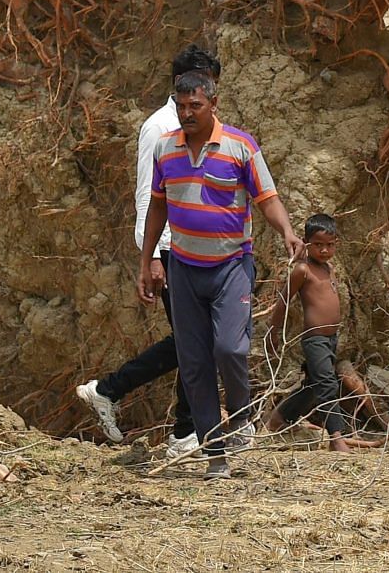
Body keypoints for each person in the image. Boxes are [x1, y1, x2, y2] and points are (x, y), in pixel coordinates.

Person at [137, 71, 303, 478]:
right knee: (193, 365)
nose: (188, 113)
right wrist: (148, 260)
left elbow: (267, 197)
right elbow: (157, 207)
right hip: (184, 269)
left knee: (229, 349)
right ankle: (216, 457)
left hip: (231, 267)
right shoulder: (165, 149)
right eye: (181, 106)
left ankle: (242, 416)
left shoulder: (240, 146)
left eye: (196, 105)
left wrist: (286, 231)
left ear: (214, 104)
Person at [75, 45, 222, 457]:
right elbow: (147, 198)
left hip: (203, 250)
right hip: (174, 249)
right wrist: (153, 256)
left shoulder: (204, 128)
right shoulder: (159, 128)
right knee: (197, 340)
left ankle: (112, 392)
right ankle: (184, 431)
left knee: (196, 339)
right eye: (205, 82)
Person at [262, 213, 353, 452]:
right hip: (314, 339)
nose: (324, 250)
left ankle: (279, 418)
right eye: (318, 245)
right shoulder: (303, 271)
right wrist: (273, 331)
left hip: (331, 339)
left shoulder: (329, 268)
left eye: (329, 245)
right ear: (306, 243)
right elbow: (284, 300)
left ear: (336, 244)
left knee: (314, 385)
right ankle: (336, 437)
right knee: (327, 384)